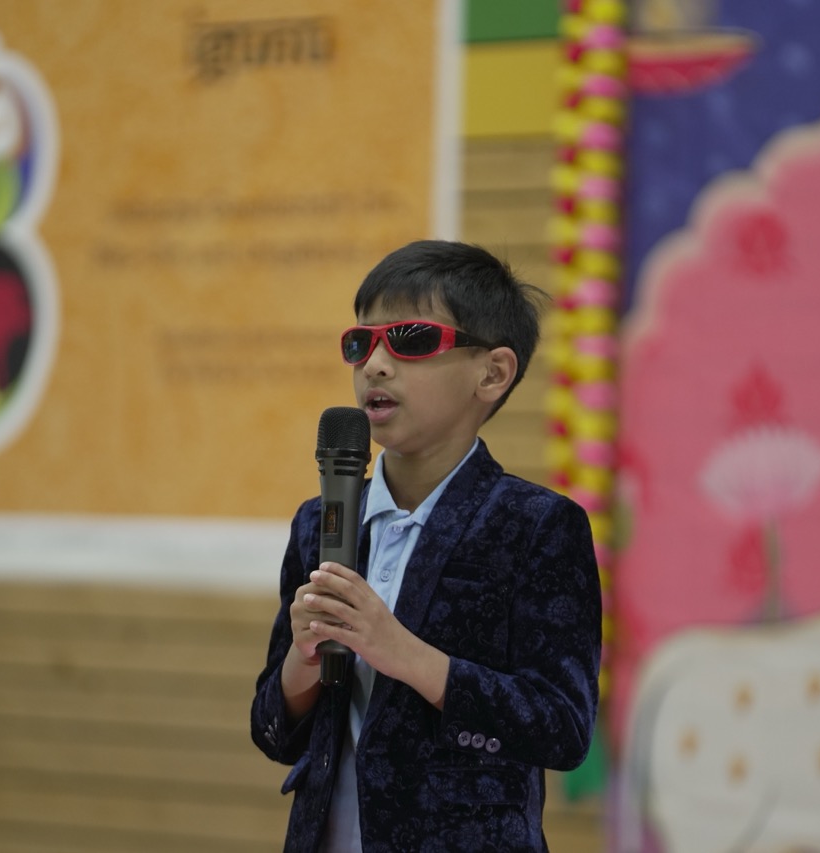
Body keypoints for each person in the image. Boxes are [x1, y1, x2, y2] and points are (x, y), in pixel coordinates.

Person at [250, 240, 602, 852]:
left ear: (492, 373)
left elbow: (563, 729)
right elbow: (274, 732)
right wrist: (302, 661)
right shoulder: (320, 522)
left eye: (410, 340)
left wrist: (407, 656)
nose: (376, 365)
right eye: (361, 344)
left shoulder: (537, 525)